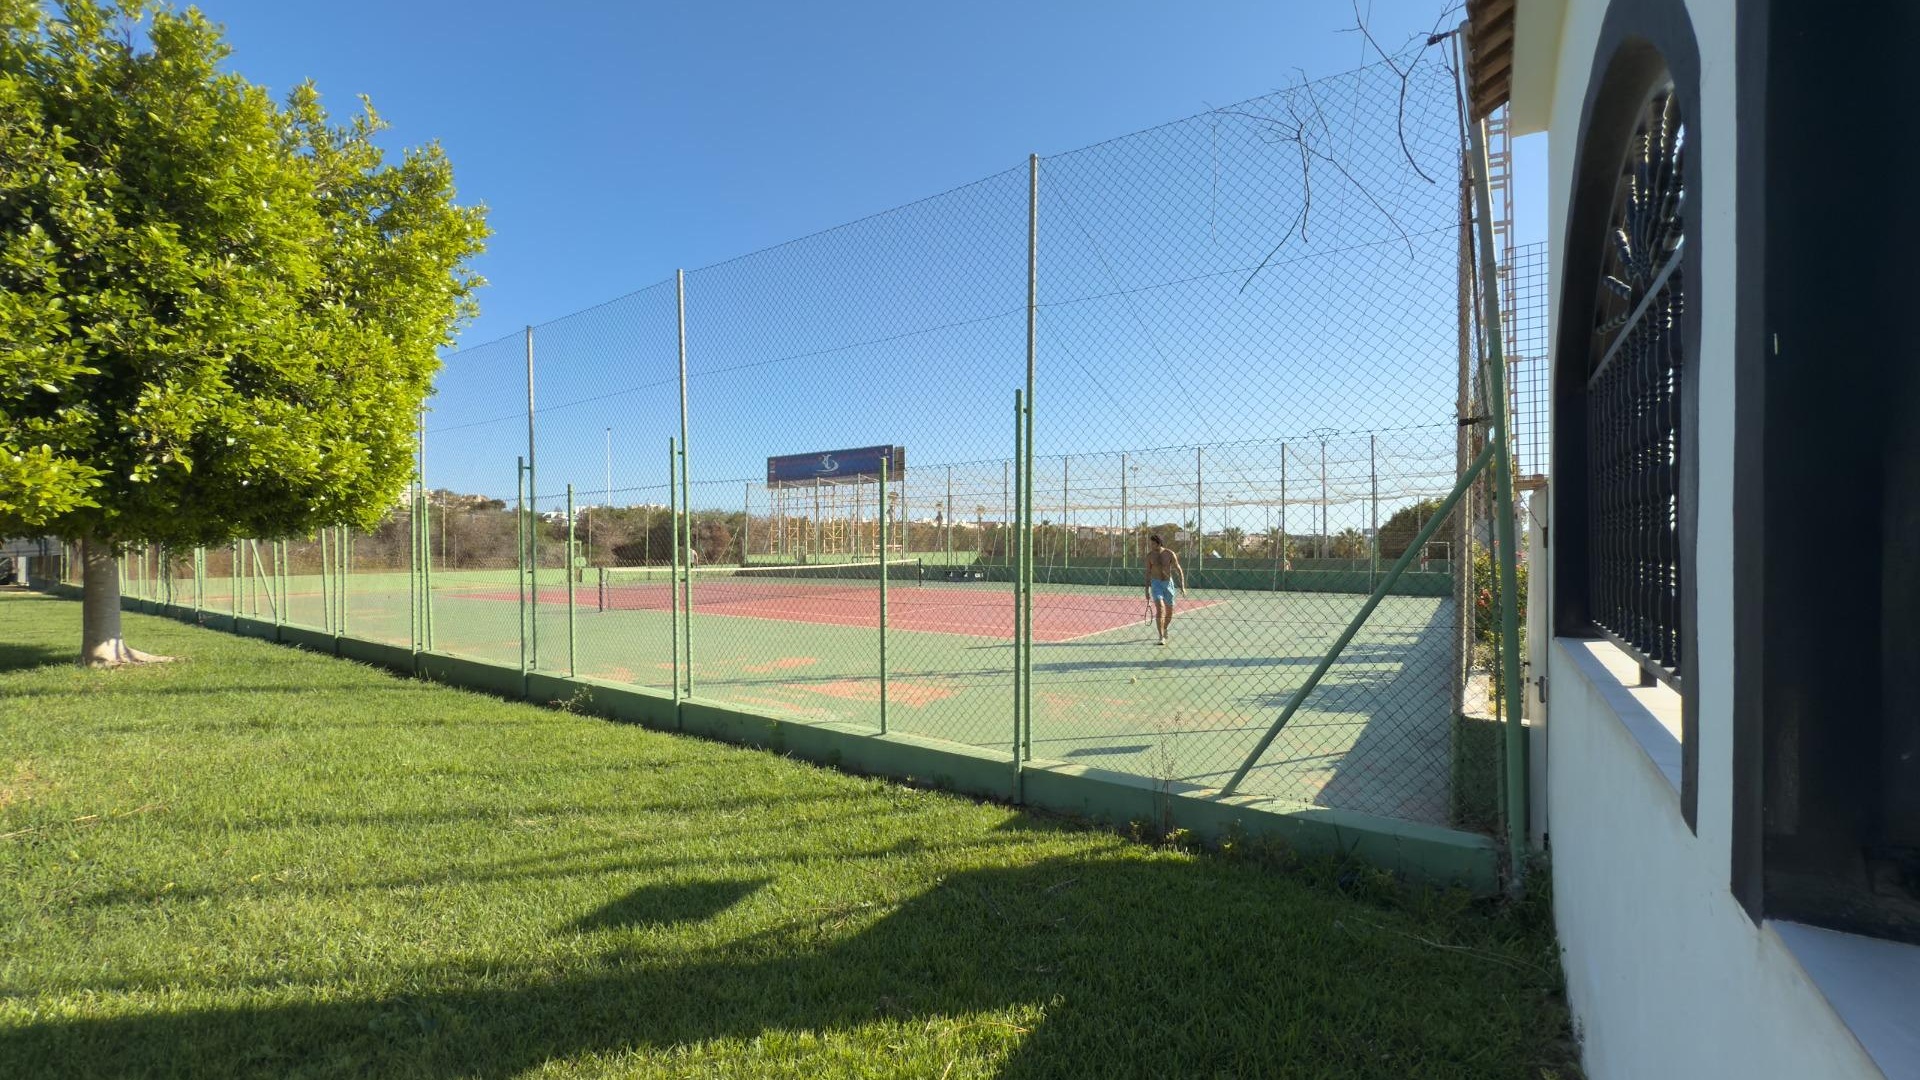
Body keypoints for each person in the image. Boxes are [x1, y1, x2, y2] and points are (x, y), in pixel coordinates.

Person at [1144, 534, 1187, 646]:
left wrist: (1182, 586)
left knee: (1169, 612)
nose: (1151, 545)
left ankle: (1165, 627)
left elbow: (1178, 569)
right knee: (1160, 609)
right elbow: (1148, 573)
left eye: (1153, 543)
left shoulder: (1169, 554)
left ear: (1159, 543)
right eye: (1151, 543)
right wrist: (1146, 589)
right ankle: (1161, 636)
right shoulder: (1150, 556)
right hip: (1156, 584)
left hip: (1168, 584)